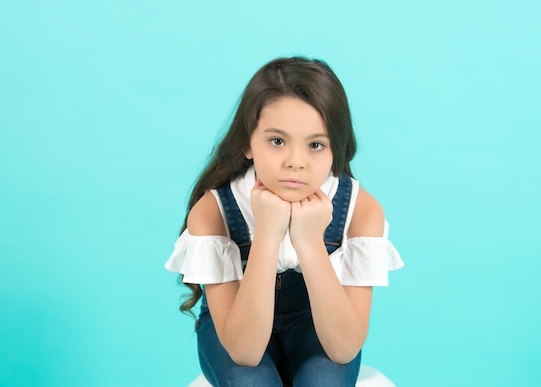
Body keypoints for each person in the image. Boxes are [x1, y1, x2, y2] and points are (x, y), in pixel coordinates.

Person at [165, 56, 403, 387]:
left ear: (336, 149)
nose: (295, 162)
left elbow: (344, 347)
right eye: (277, 141)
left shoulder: (360, 211)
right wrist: (267, 234)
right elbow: (244, 351)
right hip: (236, 325)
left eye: (316, 145)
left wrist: (308, 241)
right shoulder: (213, 212)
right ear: (248, 142)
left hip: (316, 323)